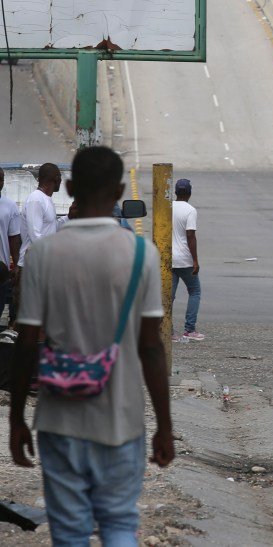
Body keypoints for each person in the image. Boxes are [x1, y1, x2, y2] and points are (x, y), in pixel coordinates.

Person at [8, 146, 174, 545]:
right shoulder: (141, 255)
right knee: (118, 524)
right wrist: (164, 427)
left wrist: (16, 419)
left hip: (58, 420)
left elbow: (26, 344)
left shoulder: (44, 254)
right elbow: (151, 349)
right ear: (119, 191)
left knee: (69, 532)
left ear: (69, 187)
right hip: (120, 419)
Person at [172, 179, 204, 341]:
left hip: (167, 257)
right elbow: (190, 235)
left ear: (176, 192)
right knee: (194, 291)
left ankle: (168, 331)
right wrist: (195, 260)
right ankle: (189, 329)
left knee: (168, 296)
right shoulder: (190, 210)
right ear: (189, 193)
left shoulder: (167, 207)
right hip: (184, 259)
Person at [19, 162, 61, 267]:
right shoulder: (36, 199)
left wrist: (69, 217)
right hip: (32, 266)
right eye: (60, 177)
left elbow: (50, 228)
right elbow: (35, 235)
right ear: (56, 178)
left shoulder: (46, 199)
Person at [0, 169, 21, 326]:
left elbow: (14, 237)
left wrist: (16, 266)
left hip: (2, 270)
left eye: (1, 179)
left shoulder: (10, 206)